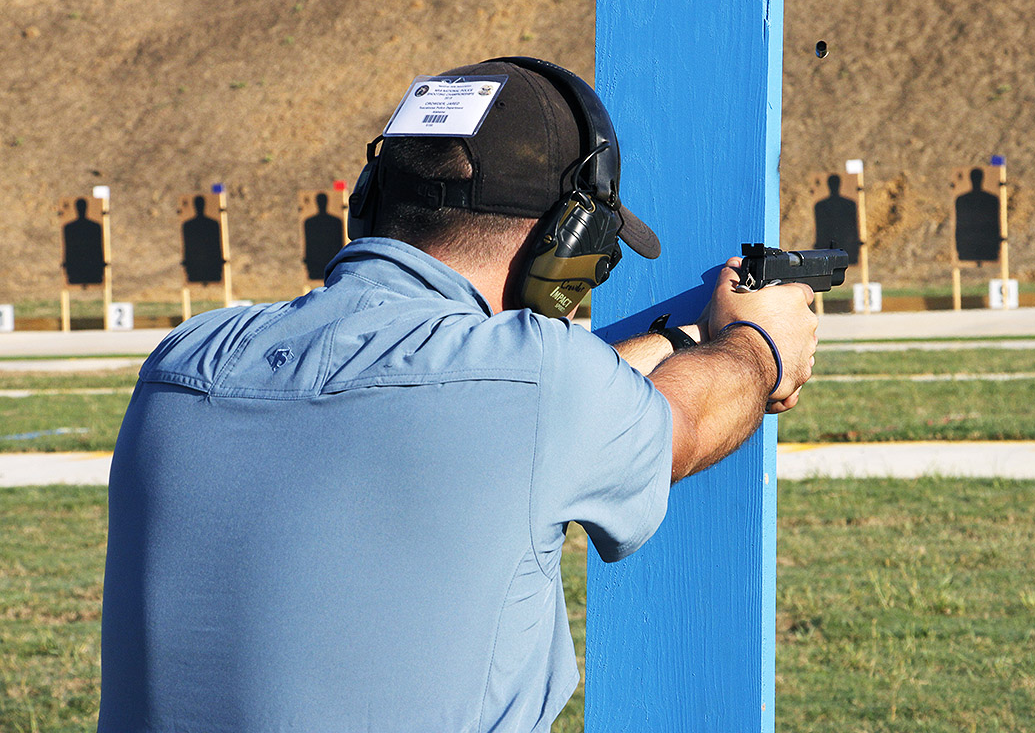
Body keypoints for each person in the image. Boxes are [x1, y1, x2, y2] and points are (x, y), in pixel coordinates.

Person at [98, 58, 819, 733]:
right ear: (565, 246)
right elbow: (682, 424)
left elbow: (481, 396)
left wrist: (677, 339)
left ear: (371, 201)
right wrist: (759, 345)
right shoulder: (545, 383)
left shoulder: (186, 359)